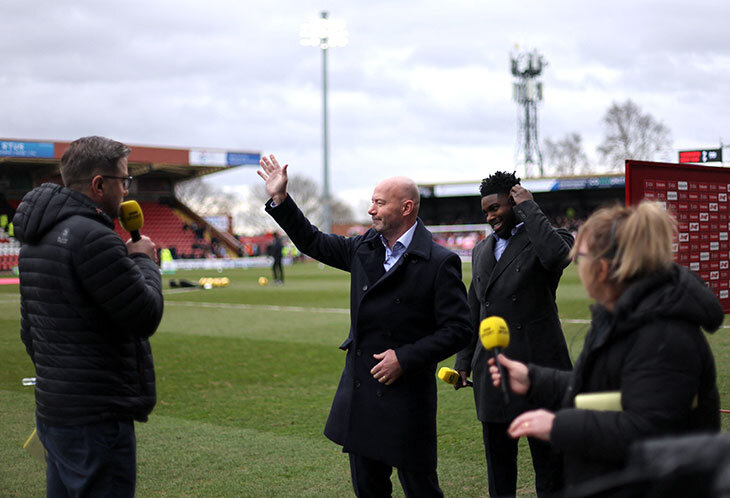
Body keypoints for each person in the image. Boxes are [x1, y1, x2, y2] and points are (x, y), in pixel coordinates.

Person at [258, 154, 471, 497]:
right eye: (371, 201)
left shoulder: (439, 261)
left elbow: (459, 329)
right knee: (369, 490)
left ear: (406, 208)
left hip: (407, 396)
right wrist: (281, 200)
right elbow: (312, 241)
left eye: (379, 203)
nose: (371, 210)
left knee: (421, 489)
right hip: (364, 392)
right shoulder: (362, 248)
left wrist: (404, 358)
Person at [489, 201, 724, 495]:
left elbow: (647, 429)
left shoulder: (663, 332)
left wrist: (559, 425)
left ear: (602, 268)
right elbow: (606, 390)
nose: (577, 265)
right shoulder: (620, 317)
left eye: (580, 257)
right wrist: (534, 379)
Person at [14, 136, 164, 497]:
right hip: (96, 417)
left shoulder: (36, 239)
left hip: (54, 409)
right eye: (123, 181)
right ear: (99, 185)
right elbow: (145, 315)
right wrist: (143, 260)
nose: (126, 192)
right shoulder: (94, 238)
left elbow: (29, 331)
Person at [454, 171, 573, 497]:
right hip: (493, 373)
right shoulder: (481, 251)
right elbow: (474, 308)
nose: (490, 217)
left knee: (551, 470)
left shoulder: (552, 238)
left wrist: (530, 208)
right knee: (499, 470)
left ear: (515, 200)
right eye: (486, 212)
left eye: (496, 208)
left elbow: (556, 257)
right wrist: (464, 359)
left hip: (541, 370)